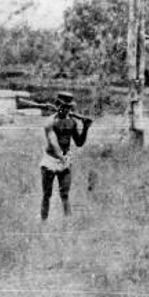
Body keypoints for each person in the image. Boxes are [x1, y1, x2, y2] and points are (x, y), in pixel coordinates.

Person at [40, 92, 91, 221]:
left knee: (65, 194)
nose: (66, 110)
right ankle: (43, 221)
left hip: (65, 159)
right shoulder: (50, 122)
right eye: (63, 106)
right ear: (57, 105)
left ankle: (68, 223)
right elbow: (54, 143)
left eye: (69, 107)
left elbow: (79, 142)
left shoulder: (72, 122)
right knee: (47, 194)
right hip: (50, 161)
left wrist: (85, 128)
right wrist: (62, 158)